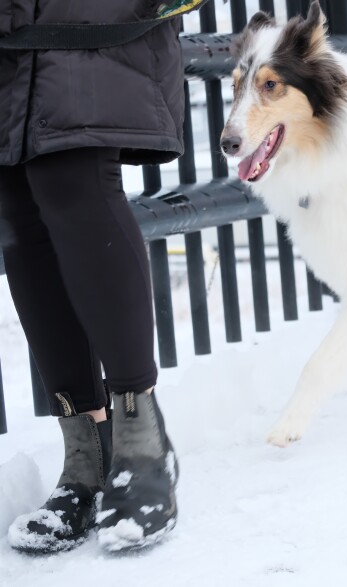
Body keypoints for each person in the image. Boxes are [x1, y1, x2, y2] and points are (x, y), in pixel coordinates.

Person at [0, 0, 184, 554]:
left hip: (88, 15)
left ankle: (142, 444)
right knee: (19, 207)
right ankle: (87, 453)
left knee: (72, 179)